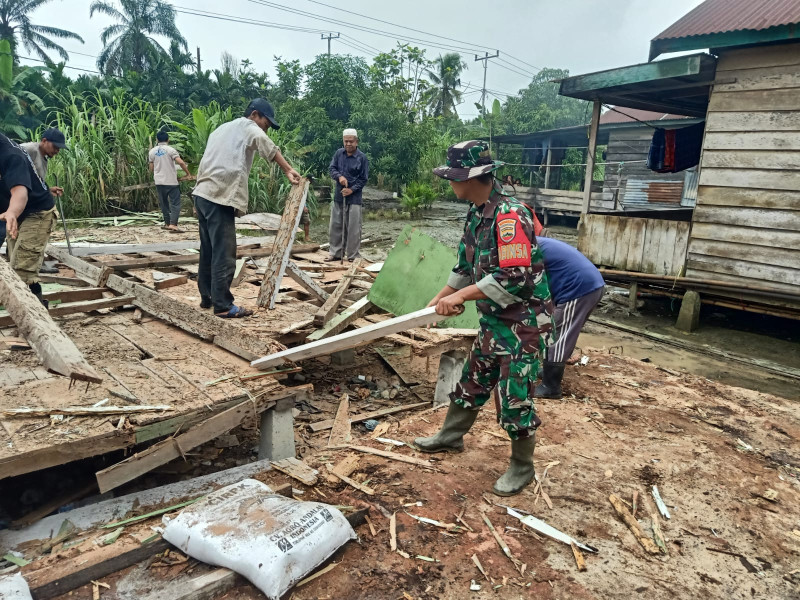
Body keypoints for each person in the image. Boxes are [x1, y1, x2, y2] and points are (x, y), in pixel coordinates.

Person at [413, 140, 556, 497]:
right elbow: (464, 266)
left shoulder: (510, 217)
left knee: (515, 397)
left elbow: (515, 277)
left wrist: (462, 296)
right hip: (495, 320)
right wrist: (440, 298)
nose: (450, 183)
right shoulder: (477, 212)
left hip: (524, 324)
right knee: (473, 380)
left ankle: (522, 468)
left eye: (452, 177)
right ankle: (450, 436)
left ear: (471, 178)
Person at [192, 98, 301, 318]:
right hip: (220, 196)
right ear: (254, 115)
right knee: (224, 252)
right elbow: (266, 144)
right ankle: (223, 305)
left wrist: (198, 189)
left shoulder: (221, 129)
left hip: (203, 193)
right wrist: (288, 169)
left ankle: (208, 298)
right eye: (266, 123)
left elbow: (205, 160)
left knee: (208, 250)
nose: (265, 128)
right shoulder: (248, 127)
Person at [534, 237, 605, 399]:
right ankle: (548, 371)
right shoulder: (534, 242)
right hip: (588, 284)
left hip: (578, 287)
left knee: (558, 334)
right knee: (561, 329)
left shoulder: (524, 248)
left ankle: (551, 386)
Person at [0, 133, 58, 306]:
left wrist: (11, 212)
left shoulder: (11, 155)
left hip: (36, 214)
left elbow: (20, 193)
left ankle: (38, 319)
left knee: (22, 271)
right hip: (16, 215)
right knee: (15, 263)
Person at [327, 128, 368, 262]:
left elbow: (363, 179)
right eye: (346, 141)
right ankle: (336, 253)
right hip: (339, 196)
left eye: (351, 141)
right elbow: (332, 169)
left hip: (354, 198)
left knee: (354, 228)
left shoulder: (362, 158)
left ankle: (352, 255)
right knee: (336, 225)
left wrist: (352, 189)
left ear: (356, 142)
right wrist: (339, 177)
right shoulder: (339, 154)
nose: (348, 144)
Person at [148, 130, 191, 233]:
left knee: (164, 203)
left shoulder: (152, 151)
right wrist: (188, 173)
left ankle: (167, 223)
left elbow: (151, 168)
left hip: (159, 182)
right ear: (168, 139)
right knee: (175, 203)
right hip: (171, 181)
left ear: (157, 140)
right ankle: (173, 224)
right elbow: (180, 162)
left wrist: (156, 174)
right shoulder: (171, 150)